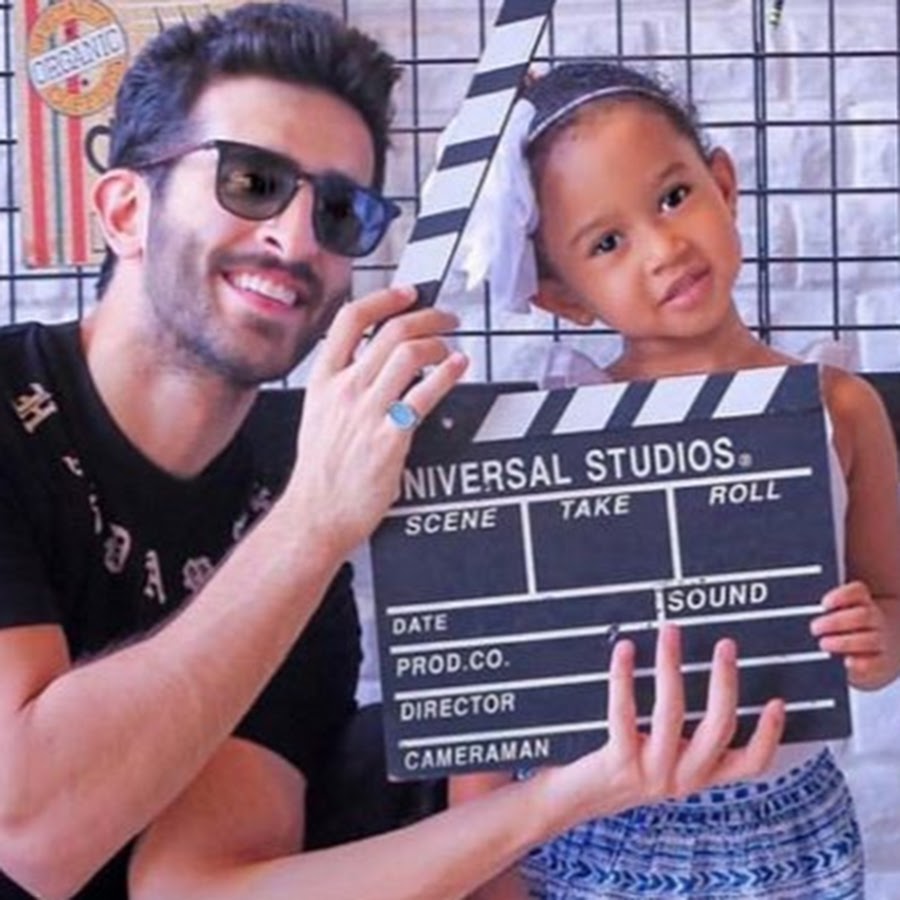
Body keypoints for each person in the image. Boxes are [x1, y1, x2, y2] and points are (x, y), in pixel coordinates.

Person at [0, 7, 786, 898]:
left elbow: (197, 887)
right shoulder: (284, 506)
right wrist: (311, 523)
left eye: (340, 210)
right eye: (251, 182)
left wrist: (578, 791)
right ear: (125, 209)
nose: (297, 239)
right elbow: (34, 835)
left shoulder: (288, 507)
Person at [447, 61, 900, 899]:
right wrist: (484, 868)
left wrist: (876, 644)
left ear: (722, 185)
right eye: (607, 243)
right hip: (593, 822)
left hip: (789, 824)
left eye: (673, 197)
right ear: (562, 296)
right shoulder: (553, 434)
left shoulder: (840, 408)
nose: (664, 250)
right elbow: (496, 678)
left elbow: (891, 602)